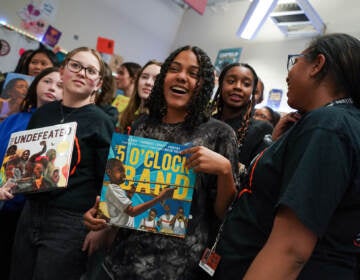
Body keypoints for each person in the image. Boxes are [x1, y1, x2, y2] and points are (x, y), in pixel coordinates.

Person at [83, 45, 239, 279]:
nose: (182, 77)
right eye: (174, 69)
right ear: (164, 77)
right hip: (121, 260)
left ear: (204, 85)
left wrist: (225, 171)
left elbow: (222, 211)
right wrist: (104, 215)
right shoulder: (141, 125)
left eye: (193, 74)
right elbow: (126, 195)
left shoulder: (220, 134)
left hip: (175, 267)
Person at [214, 33, 360, 279]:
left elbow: (291, 249)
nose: (288, 74)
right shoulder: (329, 123)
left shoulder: (328, 125)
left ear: (317, 65)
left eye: (296, 62)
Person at [7, 47, 115, 280]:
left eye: (90, 70)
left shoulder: (101, 122)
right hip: (30, 211)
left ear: (98, 83)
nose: (82, 73)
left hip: (70, 221)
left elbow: (108, 180)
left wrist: (102, 226)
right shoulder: (42, 113)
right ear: (63, 70)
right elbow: (25, 161)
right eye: (76, 66)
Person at [0, 67, 62, 280]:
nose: (52, 87)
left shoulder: (61, 129)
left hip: (27, 211)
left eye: (59, 85)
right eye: (47, 81)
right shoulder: (14, 119)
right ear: (36, 85)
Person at [212, 63, 273, 171]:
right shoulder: (204, 122)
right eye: (231, 81)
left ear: (252, 91)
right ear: (221, 85)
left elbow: (258, 175)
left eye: (246, 84)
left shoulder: (260, 129)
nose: (238, 87)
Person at [117, 60, 162, 133]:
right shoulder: (128, 115)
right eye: (144, 77)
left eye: (156, 79)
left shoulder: (162, 123)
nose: (148, 82)